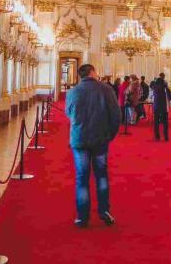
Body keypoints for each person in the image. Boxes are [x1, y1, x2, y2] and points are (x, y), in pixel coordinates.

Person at [65, 64, 120, 228]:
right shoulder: (106, 90)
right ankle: (104, 211)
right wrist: (110, 135)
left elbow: (68, 113)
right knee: (101, 175)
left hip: (79, 139)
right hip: (100, 139)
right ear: (93, 72)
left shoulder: (73, 92)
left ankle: (82, 217)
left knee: (82, 178)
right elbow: (116, 115)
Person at [151, 76, 171, 141]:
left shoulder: (154, 88)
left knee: (156, 123)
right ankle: (166, 136)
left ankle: (157, 136)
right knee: (165, 123)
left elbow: (152, 97)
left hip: (156, 107)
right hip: (164, 108)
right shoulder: (165, 88)